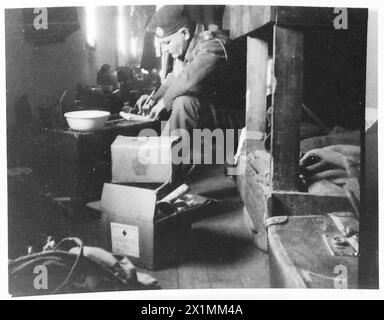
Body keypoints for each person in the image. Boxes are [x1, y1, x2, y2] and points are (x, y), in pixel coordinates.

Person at [135, 5, 230, 172]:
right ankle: (163, 165)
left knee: (183, 102)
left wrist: (163, 103)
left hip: (231, 117)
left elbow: (188, 78)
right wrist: (154, 99)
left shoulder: (211, 45)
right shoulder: (186, 50)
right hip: (209, 116)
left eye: (167, 43)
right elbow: (174, 78)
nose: (164, 49)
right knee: (179, 101)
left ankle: (171, 172)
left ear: (184, 34)